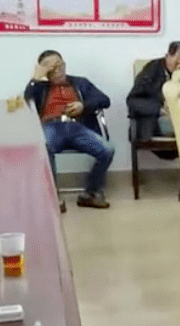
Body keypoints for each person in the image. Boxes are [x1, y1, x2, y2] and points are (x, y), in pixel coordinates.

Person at [23, 50, 115, 209]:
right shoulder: (39, 88)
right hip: (51, 126)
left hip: (77, 126)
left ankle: (90, 194)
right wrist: (35, 79)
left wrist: (83, 106)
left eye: (59, 65)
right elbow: (27, 103)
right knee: (44, 148)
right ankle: (52, 197)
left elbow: (104, 100)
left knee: (107, 150)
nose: (57, 70)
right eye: (51, 67)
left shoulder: (80, 82)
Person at [126, 41, 180, 143]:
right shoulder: (152, 69)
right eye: (177, 62)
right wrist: (160, 110)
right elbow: (133, 101)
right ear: (167, 57)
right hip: (156, 120)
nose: (179, 66)